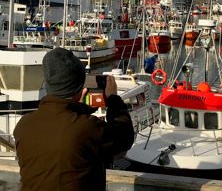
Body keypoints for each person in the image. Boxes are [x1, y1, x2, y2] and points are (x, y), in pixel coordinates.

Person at [13, 48, 134, 191]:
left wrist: (79, 107)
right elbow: (125, 137)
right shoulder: (87, 127)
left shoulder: (24, 125)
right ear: (79, 89)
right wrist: (113, 100)